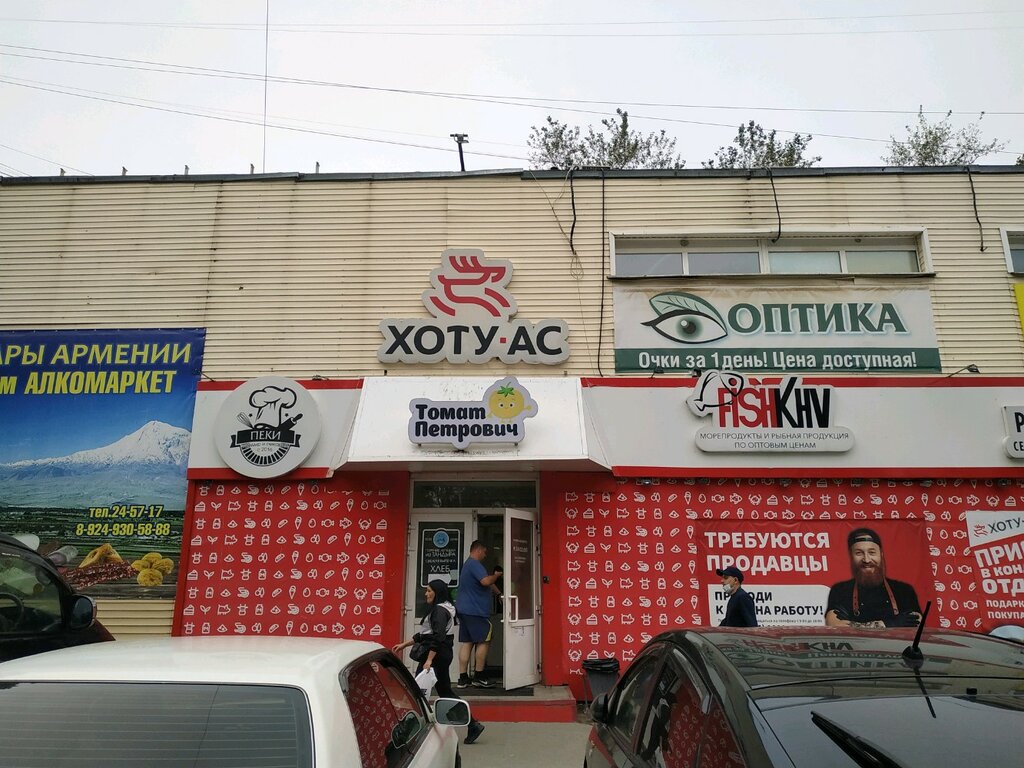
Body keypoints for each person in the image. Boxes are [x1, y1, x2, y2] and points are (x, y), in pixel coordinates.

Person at [393, 579, 486, 745]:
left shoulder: (439, 610)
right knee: (444, 692)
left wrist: (429, 660)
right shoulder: (445, 607)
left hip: (435, 656)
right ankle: (472, 724)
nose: (426, 594)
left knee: (417, 690)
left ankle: (410, 731)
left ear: (437, 592)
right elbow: (427, 633)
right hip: (441, 655)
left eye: (429, 591)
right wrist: (405, 644)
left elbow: (438, 637)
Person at [825, 527, 922, 628]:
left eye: (872, 552)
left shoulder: (903, 590)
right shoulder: (841, 590)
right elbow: (833, 623)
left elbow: (917, 621)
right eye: (859, 553)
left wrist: (858, 626)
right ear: (851, 556)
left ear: (881, 554)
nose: (866, 560)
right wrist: (888, 624)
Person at [455, 540, 502, 688]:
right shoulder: (474, 564)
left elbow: (486, 582)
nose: (485, 555)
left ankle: (463, 678)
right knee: (484, 640)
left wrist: (499, 593)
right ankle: (479, 676)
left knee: (467, 642)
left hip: (464, 611)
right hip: (475, 611)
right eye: (485, 552)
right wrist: (496, 575)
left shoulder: (468, 565)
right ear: (479, 550)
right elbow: (486, 581)